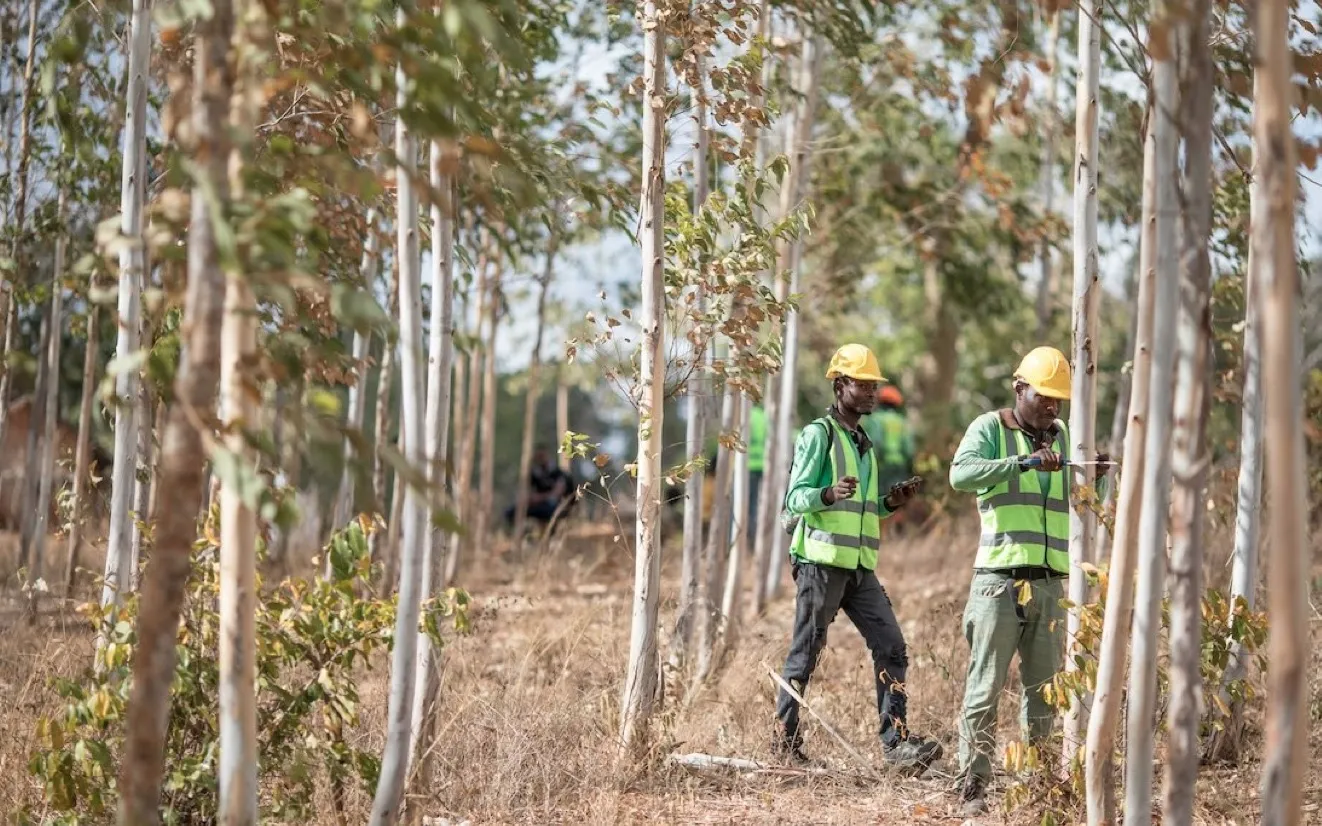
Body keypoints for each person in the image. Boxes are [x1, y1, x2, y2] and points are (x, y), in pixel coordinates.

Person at [947, 346, 1108, 816]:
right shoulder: (990, 429)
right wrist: (1024, 463)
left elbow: (1083, 502)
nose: (1053, 406)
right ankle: (972, 787)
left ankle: (1034, 785)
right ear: (1020, 389)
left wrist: (1095, 473)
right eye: (1045, 396)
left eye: (1059, 399)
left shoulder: (1065, 437)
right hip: (998, 582)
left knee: (1044, 694)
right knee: (985, 688)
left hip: (1050, 584)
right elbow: (961, 475)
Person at [772, 343, 941, 774]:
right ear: (839, 385)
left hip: (860, 567)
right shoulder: (819, 434)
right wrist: (826, 493)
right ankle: (784, 746)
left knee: (891, 646)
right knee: (805, 654)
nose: (870, 392)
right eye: (862, 385)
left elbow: (862, 510)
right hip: (821, 563)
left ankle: (897, 744)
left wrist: (890, 502)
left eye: (873, 385)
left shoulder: (862, 441)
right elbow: (794, 498)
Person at [862, 383, 916, 498]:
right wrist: (910, 467)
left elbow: (875, 444)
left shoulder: (875, 420)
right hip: (900, 467)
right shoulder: (902, 422)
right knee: (897, 500)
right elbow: (909, 449)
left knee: (881, 501)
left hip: (882, 467)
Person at [505, 447, 576, 534]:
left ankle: (550, 536)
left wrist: (538, 498)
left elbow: (556, 494)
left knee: (550, 513)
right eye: (538, 457)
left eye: (542, 456)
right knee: (510, 512)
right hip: (538, 505)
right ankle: (526, 536)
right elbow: (525, 492)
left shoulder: (560, 474)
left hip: (556, 507)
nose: (540, 459)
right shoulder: (534, 474)